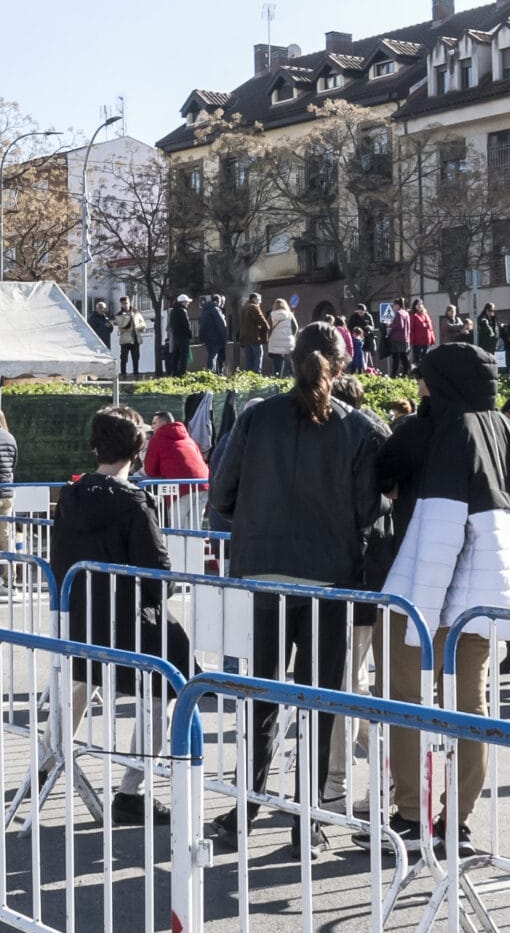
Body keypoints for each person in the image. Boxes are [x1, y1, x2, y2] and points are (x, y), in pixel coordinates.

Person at [376, 341, 510, 842]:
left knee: (406, 701)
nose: (419, 386)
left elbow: (381, 477)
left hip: (421, 591)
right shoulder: (507, 432)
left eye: (425, 377)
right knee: (470, 705)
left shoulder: (428, 428)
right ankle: (458, 819)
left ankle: (411, 814)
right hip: (487, 596)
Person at [210, 321, 385, 847]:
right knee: (316, 701)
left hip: (263, 571)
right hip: (328, 579)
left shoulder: (256, 417)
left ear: (291, 361)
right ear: (343, 365)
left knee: (262, 696)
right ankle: (305, 819)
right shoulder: (358, 427)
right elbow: (368, 509)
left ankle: (246, 807)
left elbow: (221, 495)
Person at [45, 406, 188, 826]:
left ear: (95, 447)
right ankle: (132, 788)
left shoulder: (69, 497)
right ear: (138, 450)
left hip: (79, 614)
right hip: (129, 621)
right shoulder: (135, 502)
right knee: (165, 686)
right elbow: (157, 573)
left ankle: (49, 757)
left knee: (80, 679)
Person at [144, 409, 207, 480]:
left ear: (163, 423)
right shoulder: (189, 440)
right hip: (205, 482)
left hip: (179, 485)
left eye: (154, 423)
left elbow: (150, 470)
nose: (152, 427)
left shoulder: (157, 440)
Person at [263, 298, 297, 374]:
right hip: (287, 340)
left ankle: (277, 375)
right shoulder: (289, 314)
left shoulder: (272, 314)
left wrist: (268, 337)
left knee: (277, 359)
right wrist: (292, 336)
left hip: (275, 340)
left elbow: (268, 327)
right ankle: (290, 375)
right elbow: (295, 327)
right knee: (288, 359)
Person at [163, 294, 195, 377]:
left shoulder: (173, 312)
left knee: (176, 356)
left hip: (176, 337)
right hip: (183, 337)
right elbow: (186, 325)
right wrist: (190, 335)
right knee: (183, 356)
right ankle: (183, 373)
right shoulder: (183, 311)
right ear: (182, 302)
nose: (188, 303)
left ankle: (175, 373)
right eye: (187, 302)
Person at [115, 296, 145, 377]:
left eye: (126, 303)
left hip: (135, 338)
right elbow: (122, 325)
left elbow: (142, 322)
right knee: (124, 358)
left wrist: (141, 327)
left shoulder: (136, 312)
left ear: (129, 302)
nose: (125, 305)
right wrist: (129, 317)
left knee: (136, 358)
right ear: (121, 304)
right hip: (125, 339)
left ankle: (136, 374)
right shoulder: (119, 315)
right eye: (123, 304)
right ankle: (123, 374)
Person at [237, 293, 268, 372]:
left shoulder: (244, 308)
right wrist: (267, 327)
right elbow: (261, 320)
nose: (260, 302)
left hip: (245, 338)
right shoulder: (254, 307)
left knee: (249, 358)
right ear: (254, 299)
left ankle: (249, 375)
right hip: (254, 337)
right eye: (259, 300)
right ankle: (257, 373)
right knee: (258, 355)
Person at [199, 295, 230, 373]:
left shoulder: (204, 311)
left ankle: (211, 374)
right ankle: (215, 374)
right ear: (217, 301)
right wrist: (224, 338)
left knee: (211, 356)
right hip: (217, 338)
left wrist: (201, 338)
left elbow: (201, 326)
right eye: (221, 302)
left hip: (207, 339)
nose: (221, 304)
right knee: (216, 357)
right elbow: (221, 325)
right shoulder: (215, 310)